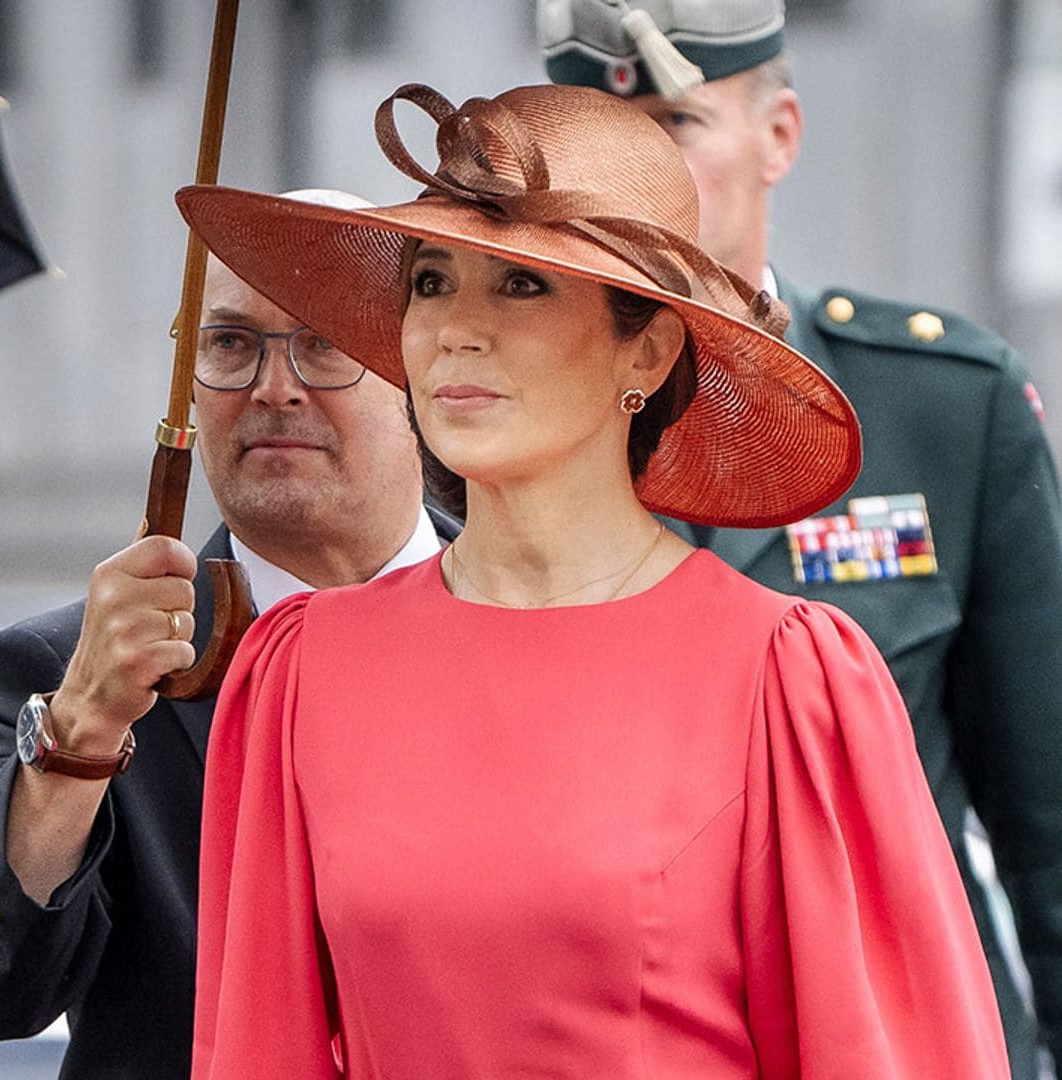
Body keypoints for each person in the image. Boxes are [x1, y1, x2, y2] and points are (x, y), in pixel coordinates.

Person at [176, 81, 1009, 1078]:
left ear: (648, 348)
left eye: (520, 285)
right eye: (432, 281)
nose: (456, 330)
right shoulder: (302, 671)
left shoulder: (785, 679)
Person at [541, 3, 1062, 1076]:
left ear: (779, 135)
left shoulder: (941, 406)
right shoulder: (492, 430)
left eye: (678, 125)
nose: (633, 175)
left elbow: (1048, 824)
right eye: (598, 133)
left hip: (898, 1034)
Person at [0, 189, 459, 1080]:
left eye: (322, 343)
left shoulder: (554, 623)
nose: (273, 389)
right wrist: (77, 740)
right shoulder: (64, 677)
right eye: (231, 345)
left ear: (425, 377)